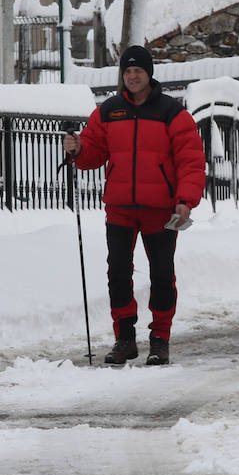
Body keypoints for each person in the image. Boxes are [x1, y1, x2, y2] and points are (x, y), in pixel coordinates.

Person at [63, 45, 206, 366]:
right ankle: (125, 339)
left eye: (138, 70)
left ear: (149, 73)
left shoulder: (173, 113)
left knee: (161, 274)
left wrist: (185, 200)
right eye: (127, 71)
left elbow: (192, 161)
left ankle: (160, 339)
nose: (132, 76)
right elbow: (93, 154)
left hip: (161, 210)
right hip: (120, 208)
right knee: (118, 272)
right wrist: (77, 149)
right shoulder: (109, 111)